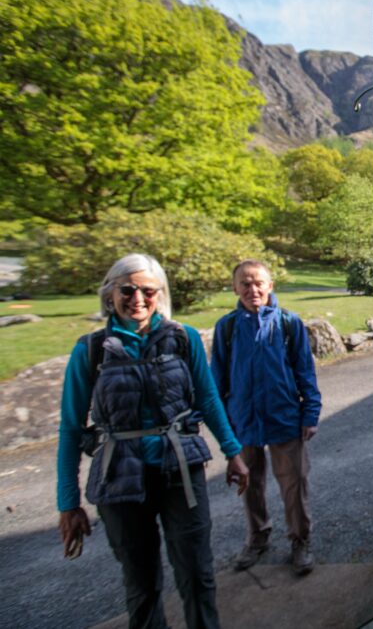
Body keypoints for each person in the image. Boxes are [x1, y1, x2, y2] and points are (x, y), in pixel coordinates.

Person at [56, 253, 249, 629]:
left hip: (180, 470)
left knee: (196, 575)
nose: (137, 298)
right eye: (127, 289)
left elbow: (207, 400)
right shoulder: (91, 350)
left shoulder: (183, 338)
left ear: (160, 294)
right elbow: (70, 427)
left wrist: (233, 452)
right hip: (119, 480)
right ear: (110, 294)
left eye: (148, 290)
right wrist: (68, 502)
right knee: (141, 584)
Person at [210, 260, 322, 576]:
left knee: (294, 484)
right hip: (242, 421)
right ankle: (258, 537)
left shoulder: (289, 323)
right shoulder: (227, 327)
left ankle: (300, 541)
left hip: (285, 417)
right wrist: (221, 425)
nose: (252, 289)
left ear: (270, 286)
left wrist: (310, 413)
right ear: (235, 288)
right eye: (245, 283)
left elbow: (305, 371)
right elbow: (216, 378)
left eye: (259, 282)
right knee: (249, 484)